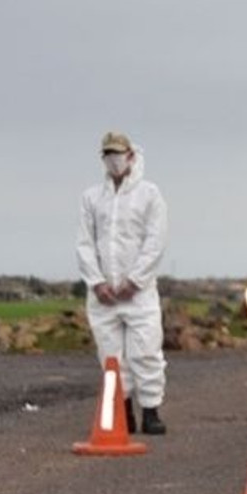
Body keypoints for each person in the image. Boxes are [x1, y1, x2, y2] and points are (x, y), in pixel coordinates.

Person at [76, 132, 169, 434]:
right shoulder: (92, 198)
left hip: (138, 294)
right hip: (103, 295)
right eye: (108, 154)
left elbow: (155, 241)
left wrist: (136, 280)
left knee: (145, 351)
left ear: (131, 155)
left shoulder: (149, 194)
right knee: (111, 356)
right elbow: (85, 243)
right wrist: (97, 282)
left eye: (118, 153)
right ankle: (122, 411)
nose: (113, 160)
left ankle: (151, 411)